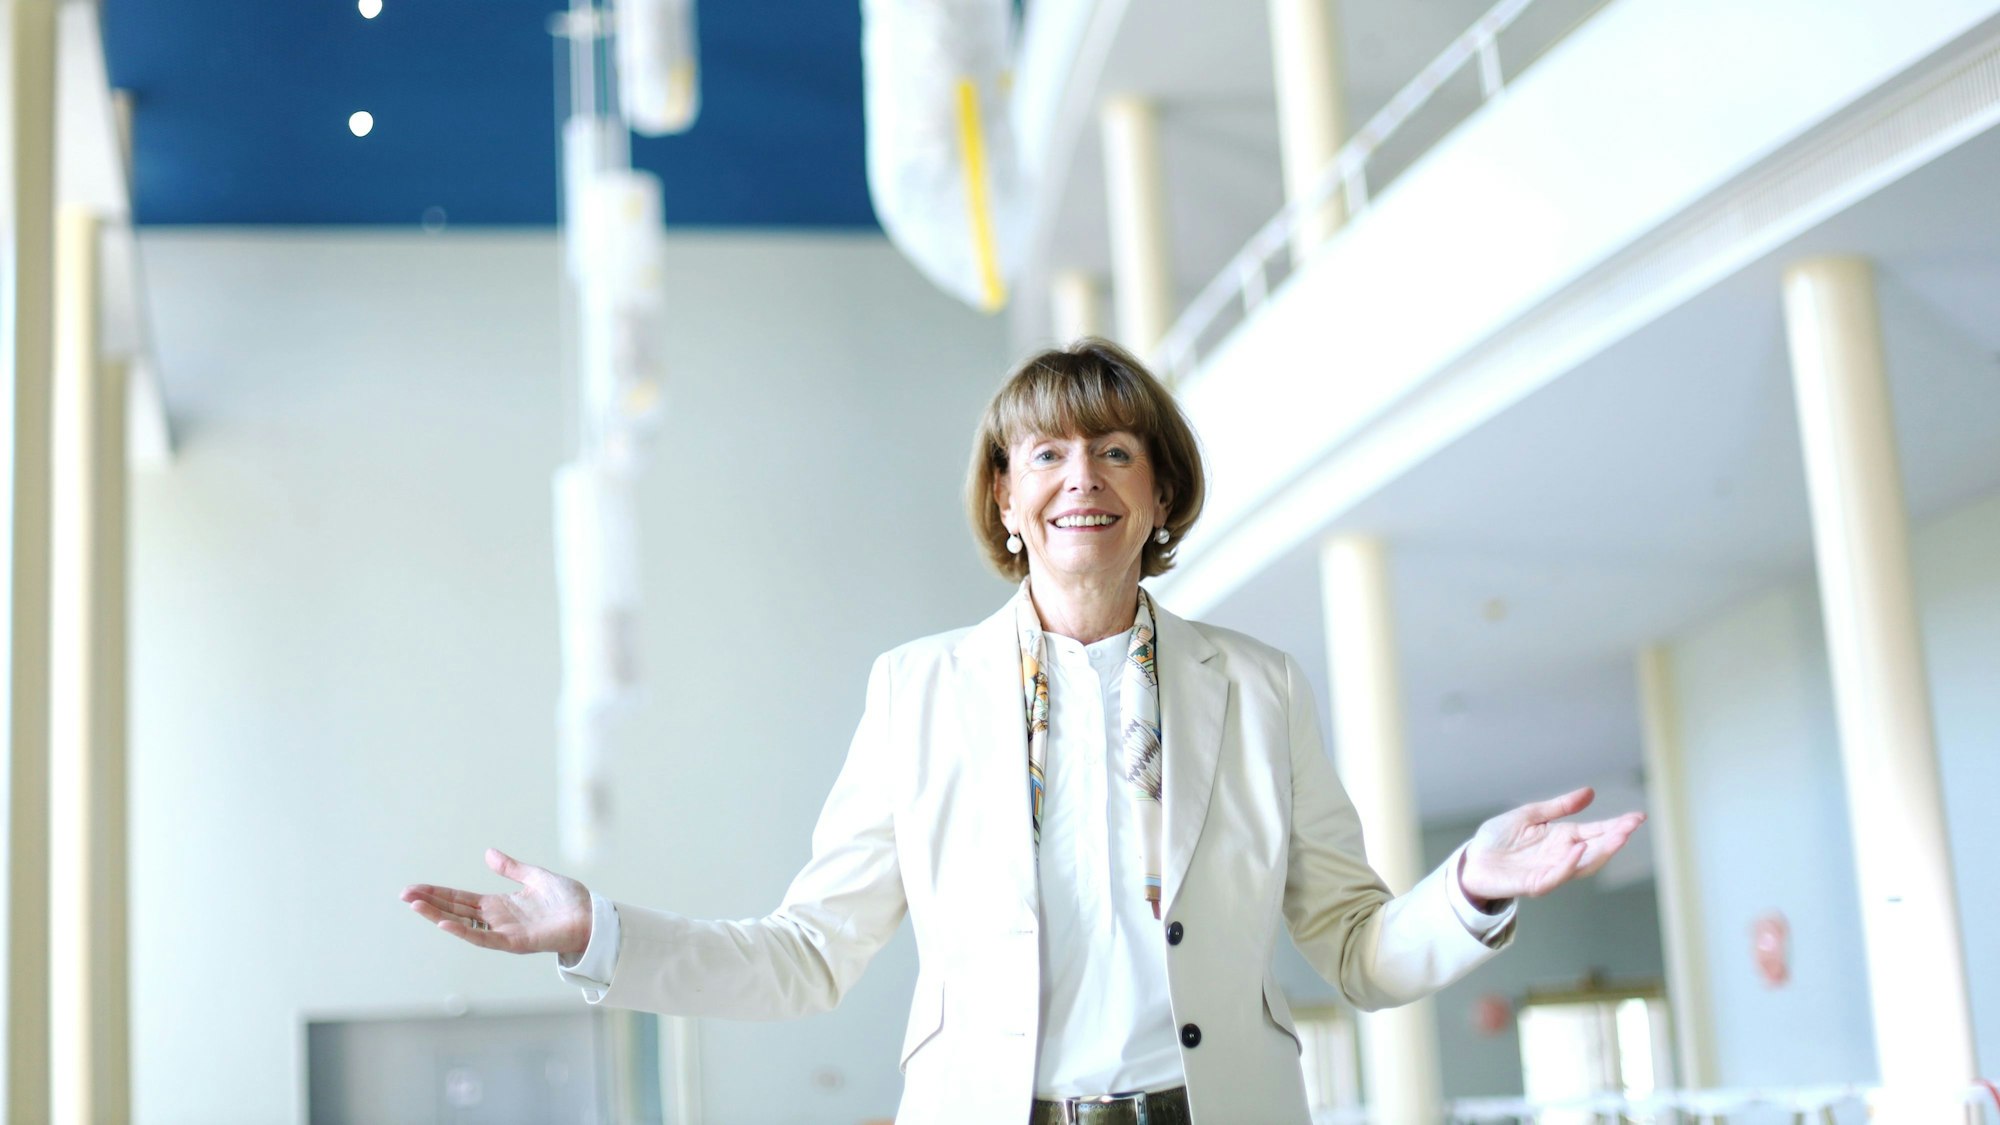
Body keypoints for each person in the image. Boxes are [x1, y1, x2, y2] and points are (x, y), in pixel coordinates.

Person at [402, 339, 1645, 1125]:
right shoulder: (917, 690)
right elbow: (806, 956)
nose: (1081, 476)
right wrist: (600, 934)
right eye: (1045, 450)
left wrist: (1474, 885)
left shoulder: (1258, 687)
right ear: (1005, 492)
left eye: (1116, 449)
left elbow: (1359, 951)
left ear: (1158, 491)